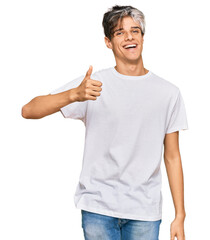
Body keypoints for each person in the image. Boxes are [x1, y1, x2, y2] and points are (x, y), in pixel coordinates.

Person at [21, 5, 188, 240]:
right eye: (120, 32)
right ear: (108, 42)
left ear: (142, 37)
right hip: (98, 208)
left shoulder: (168, 93)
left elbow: (172, 156)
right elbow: (29, 110)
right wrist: (72, 95)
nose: (129, 37)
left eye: (135, 30)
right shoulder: (93, 85)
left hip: (145, 211)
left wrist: (180, 215)